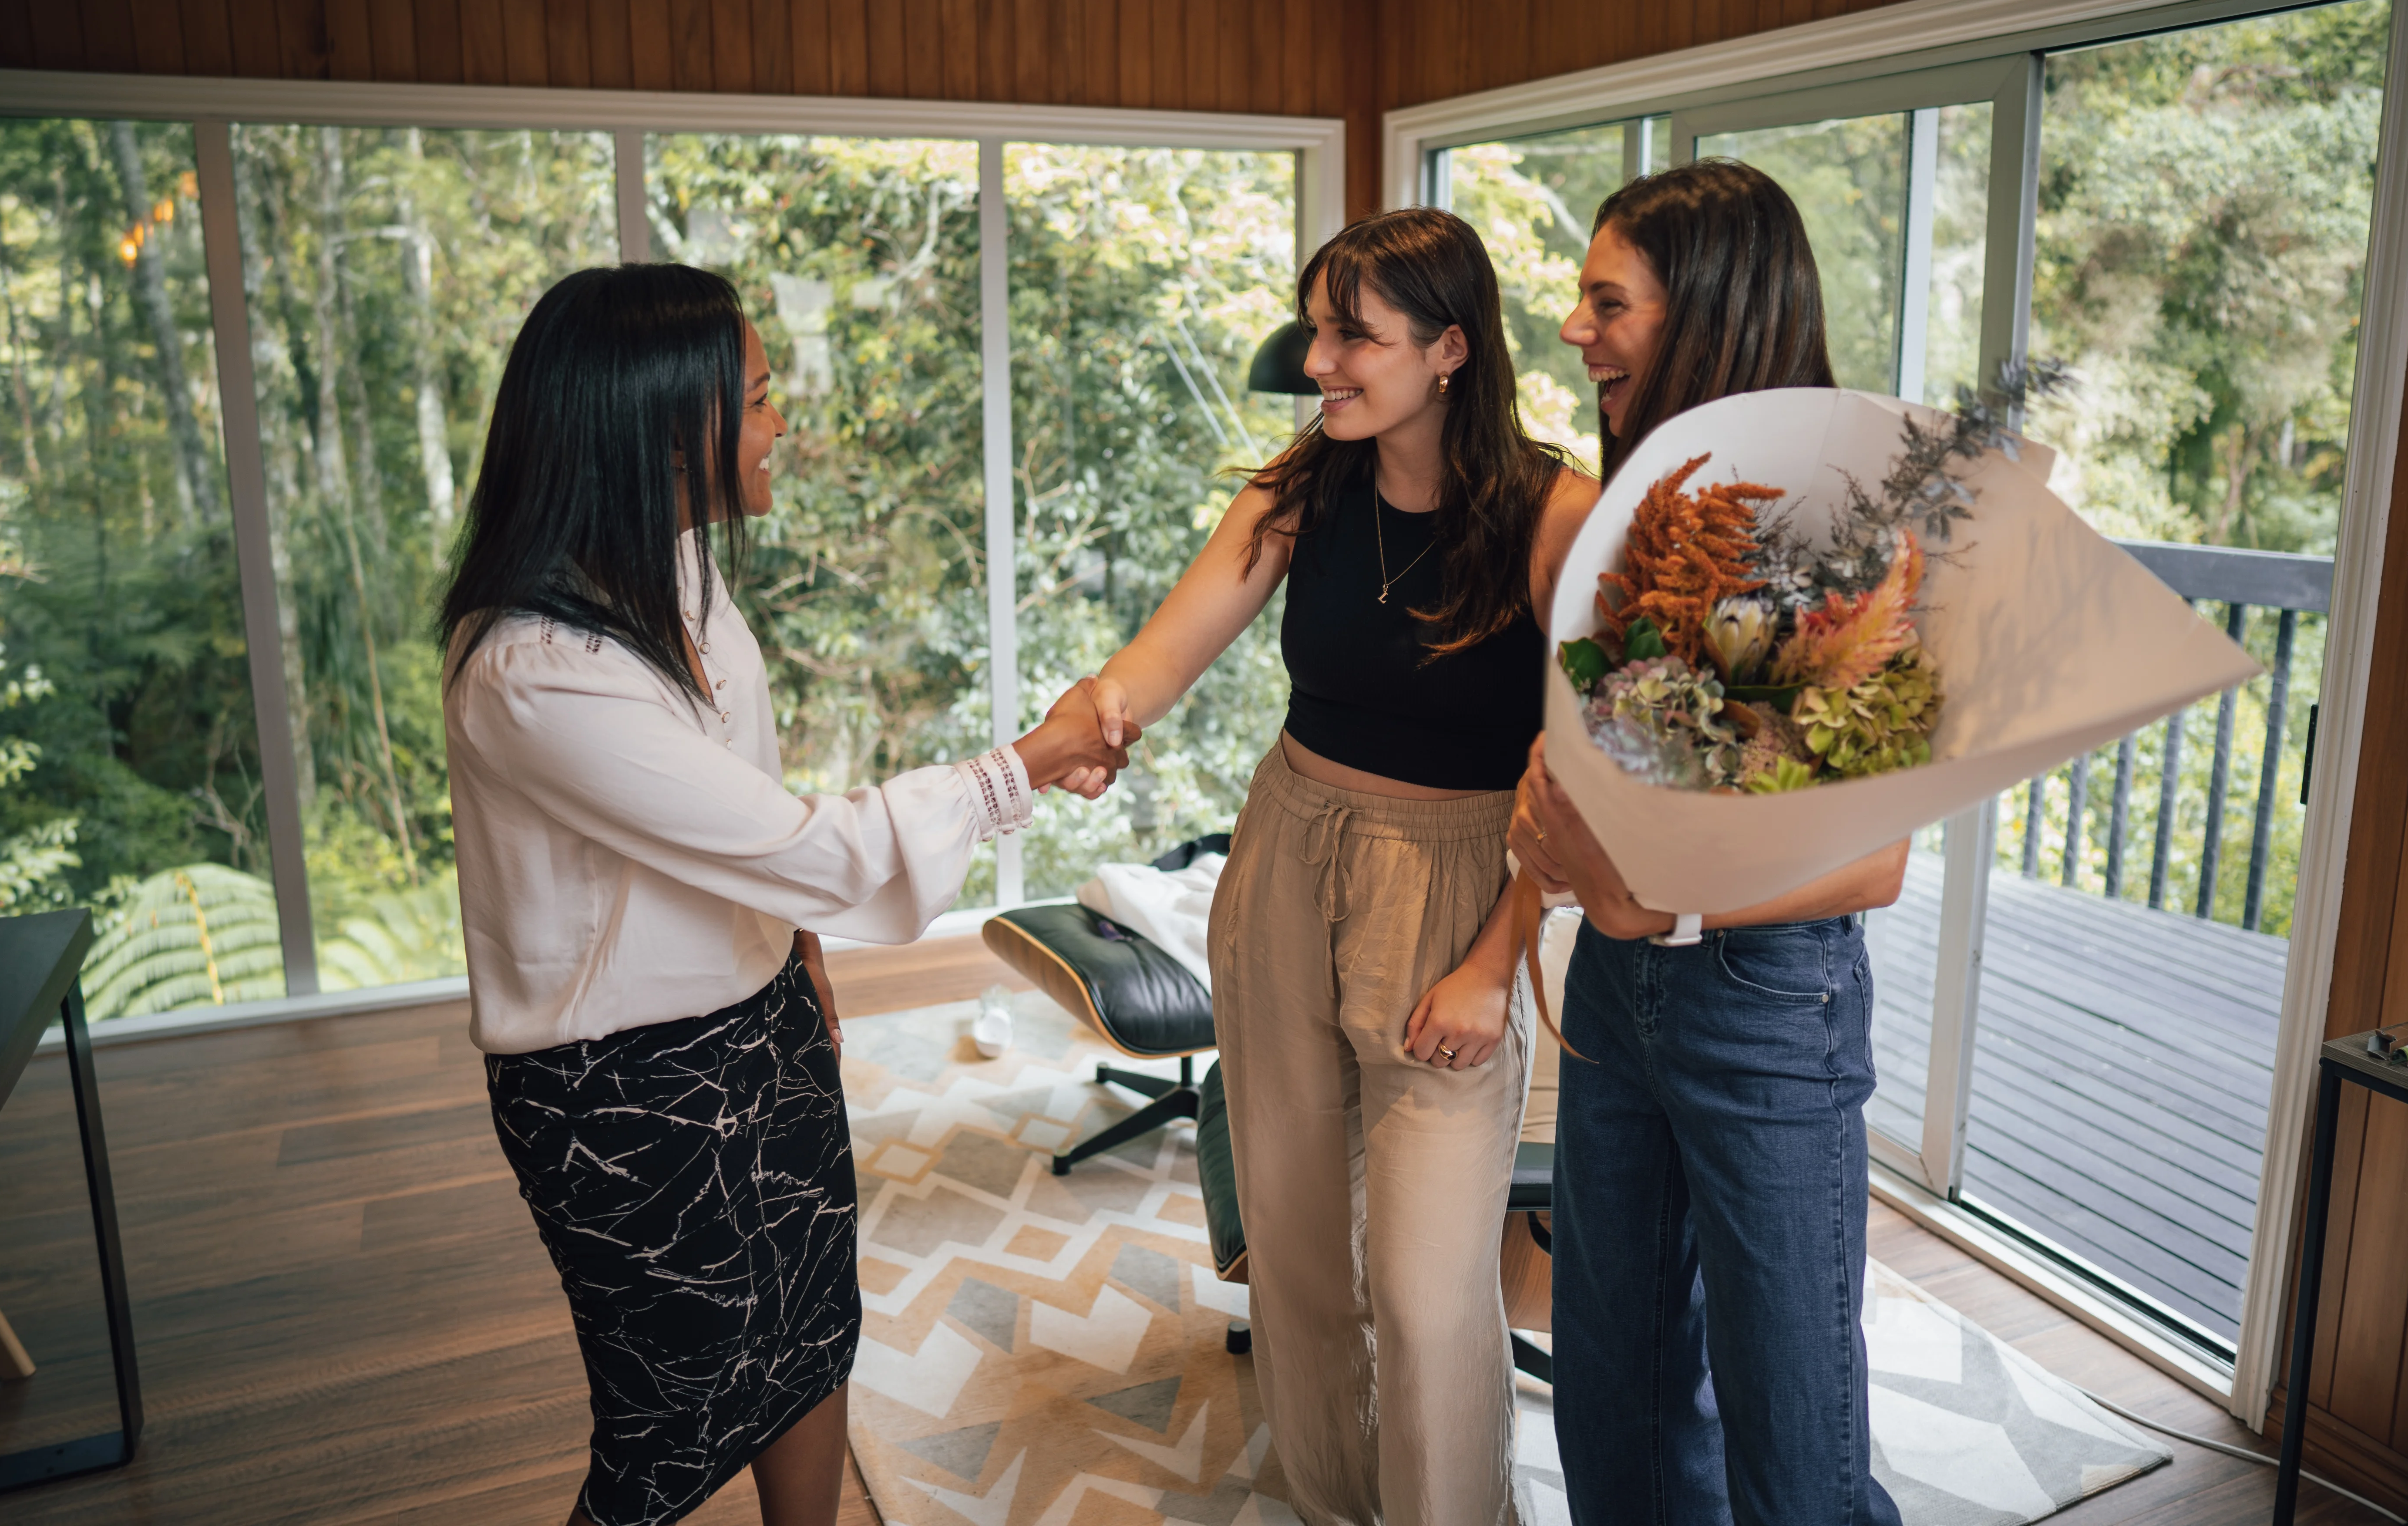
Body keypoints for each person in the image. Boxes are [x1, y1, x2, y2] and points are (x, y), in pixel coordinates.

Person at [440, 263, 1125, 1526]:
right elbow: (811, 842)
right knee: (670, 1423)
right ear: (663, 426)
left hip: (761, 1025)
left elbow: (731, 807)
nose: (779, 423)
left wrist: (795, 954)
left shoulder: (677, 570)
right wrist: (1026, 761)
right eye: (756, 399)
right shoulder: (532, 669)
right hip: (626, 1094)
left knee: (812, 1330)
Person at [1063, 209, 1599, 1525]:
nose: (1319, 360)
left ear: (1451, 350)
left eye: (1353, 334)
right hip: (1292, 855)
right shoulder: (1299, 489)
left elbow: (1580, 771)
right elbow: (1164, 651)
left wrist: (1492, 964)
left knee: (1424, 1293)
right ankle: (1337, 1503)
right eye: (1318, 327)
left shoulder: (1555, 515)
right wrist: (1088, 728)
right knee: (1298, 1260)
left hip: (1466, 883)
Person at [1508, 160, 1911, 1526]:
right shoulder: (1648, 509)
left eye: (1604, 300)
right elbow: (1601, 750)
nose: (1572, 329)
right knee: (1613, 1398)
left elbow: (1874, 863)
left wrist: (1657, 907)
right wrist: (1548, 816)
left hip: (1764, 1007)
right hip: (1620, 997)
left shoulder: (1840, 521)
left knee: (1792, 1437)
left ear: (1712, 312)